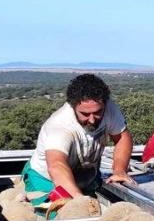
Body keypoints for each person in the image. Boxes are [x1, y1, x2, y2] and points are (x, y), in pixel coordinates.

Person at [24, 73, 134, 206]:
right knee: (62, 219)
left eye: (98, 112)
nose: (92, 119)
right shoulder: (59, 126)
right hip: (47, 180)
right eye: (85, 114)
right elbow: (56, 165)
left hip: (85, 176)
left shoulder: (109, 108)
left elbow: (122, 137)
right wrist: (80, 201)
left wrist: (119, 171)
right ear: (73, 106)